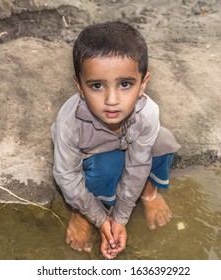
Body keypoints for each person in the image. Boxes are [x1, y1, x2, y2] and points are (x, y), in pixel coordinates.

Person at [51, 21, 180, 259]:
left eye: (125, 84)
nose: (112, 100)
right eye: (97, 85)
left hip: (129, 145)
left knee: (163, 141)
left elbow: (139, 163)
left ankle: (149, 193)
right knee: (107, 167)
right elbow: (66, 176)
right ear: (79, 86)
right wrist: (100, 220)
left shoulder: (147, 113)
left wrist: (120, 218)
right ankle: (81, 214)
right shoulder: (70, 123)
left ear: (143, 84)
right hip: (93, 155)